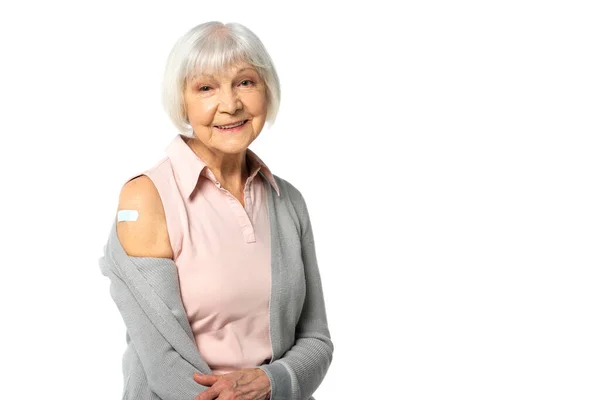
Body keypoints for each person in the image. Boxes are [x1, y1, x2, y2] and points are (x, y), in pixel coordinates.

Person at [102, 21, 334, 400]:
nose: (230, 104)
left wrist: (270, 382)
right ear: (183, 101)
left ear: (266, 91)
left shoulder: (288, 201)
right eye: (206, 87)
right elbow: (164, 365)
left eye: (245, 82)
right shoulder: (146, 199)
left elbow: (317, 341)